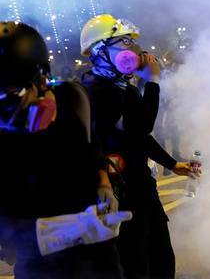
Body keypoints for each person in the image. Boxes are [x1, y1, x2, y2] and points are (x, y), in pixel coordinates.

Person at [0, 21, 131, 279]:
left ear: (40, 77)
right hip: (41, 267)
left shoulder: (74, 98)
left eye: (11, 94)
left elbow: (92, 146)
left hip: (100, 259)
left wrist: (103, 182)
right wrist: (63, 232)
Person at [80, 14, 197, 279]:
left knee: (161, 258)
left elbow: (139, 137)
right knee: (135, 264)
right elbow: (141, 126)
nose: (134, 50)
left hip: (142, 187)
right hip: (121, 194)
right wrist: (152, 82)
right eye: (123, 43)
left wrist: (172, 164)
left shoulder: (121, 86)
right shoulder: (96, 90)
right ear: (100, 51)